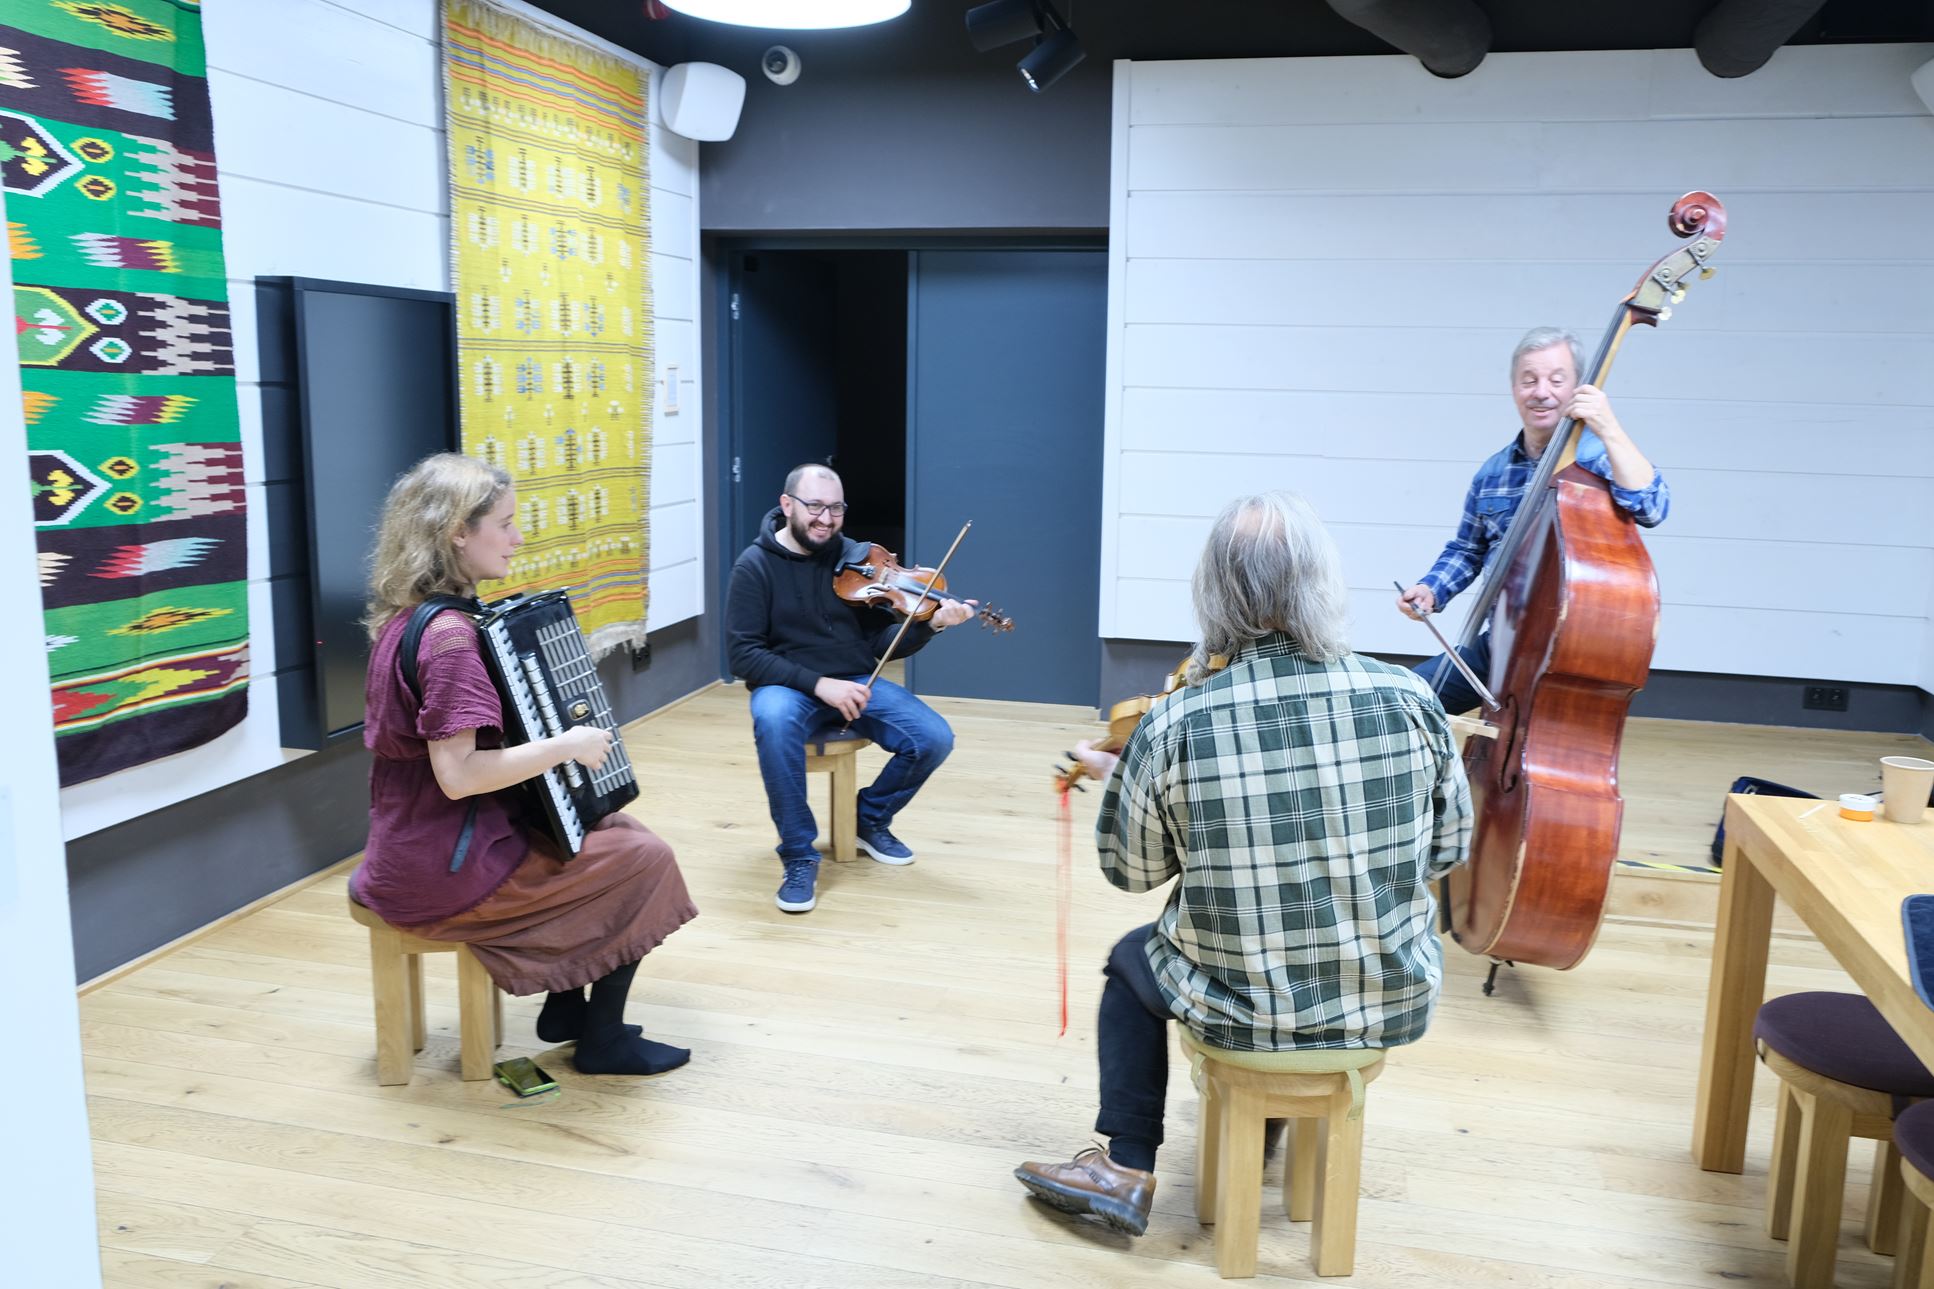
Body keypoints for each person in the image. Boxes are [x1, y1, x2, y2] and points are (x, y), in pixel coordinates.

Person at [1014, 492, 1472, 1237]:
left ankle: (1125, 1166)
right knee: (1297, 949)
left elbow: (1131, 872)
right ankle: (1261, 1133)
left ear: (1214, 593)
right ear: (1324, 582)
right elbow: (1449, 848)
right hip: (1387, 995)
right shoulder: (1411, 696)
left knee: (1136, 958)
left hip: (1242, 1005)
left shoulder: (1177, 721)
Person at [353, 453, 697, 1077]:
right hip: (444, 869)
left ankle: (568, 1009)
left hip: (408, 844)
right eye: (505, 524)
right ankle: (603, 1040)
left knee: (608, 829)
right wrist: (565, 744)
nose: (517, 538)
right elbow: (459, 775)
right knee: (646, 859)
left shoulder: (407, 619)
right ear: (458, 532)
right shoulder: (451, 641)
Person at [724, 463, 977, 914]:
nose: (826, 519)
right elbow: (743, 656)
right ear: (787, 505)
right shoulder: (755, 566)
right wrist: (820, 685)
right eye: (814, 507)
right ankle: (798, 855)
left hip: (856, 680)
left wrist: (932, 624)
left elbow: (880, 646)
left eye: (836, 508)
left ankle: (869, 819)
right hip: (787, 684)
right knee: (773, 720)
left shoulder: (858, 561)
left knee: (933, 738)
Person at [1396, 326, 1670, 714]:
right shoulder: (1494, 472)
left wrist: (1608, 426)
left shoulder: (1601, 460)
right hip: (1502, 645)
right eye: (1529, 380)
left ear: (1578, 388)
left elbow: (1653, 507)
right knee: (1403, 701)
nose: (1542, 392)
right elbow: (1468, 549)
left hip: (1575, 654)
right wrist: (1431, 588)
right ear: (1514, 389)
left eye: (1557, 380)